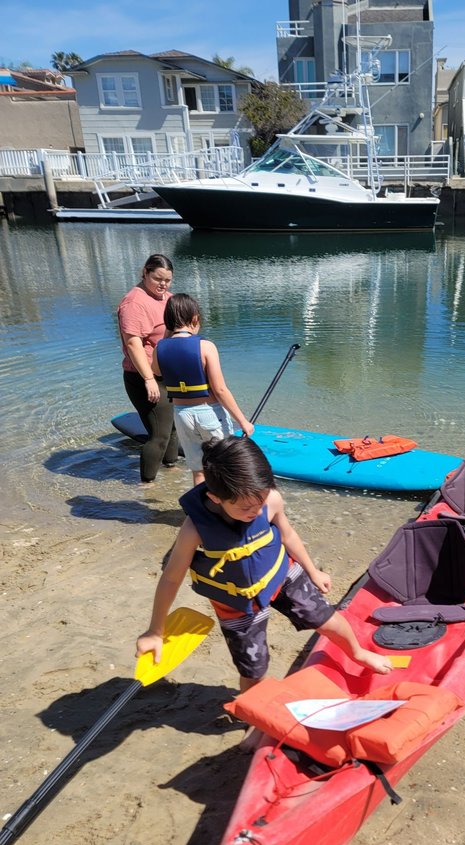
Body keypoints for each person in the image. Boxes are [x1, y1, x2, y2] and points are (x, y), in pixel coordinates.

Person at [136, 436, 392, 701]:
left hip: (280, 575)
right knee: (253, 668)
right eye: (245, 507)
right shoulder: (194, 529)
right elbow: (171, 579)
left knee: (327, 619)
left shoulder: (271, 500)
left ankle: (358, 653)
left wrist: (312, 570)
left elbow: (288, 535)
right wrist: (156, 630)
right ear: (215, 497)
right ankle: (252, 713)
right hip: (235, 600)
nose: (256, 511)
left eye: (260, 501)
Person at [153, 293, 255, 486]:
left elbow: (156, 371)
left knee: (198, 470)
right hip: (209, 413)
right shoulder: (206, 346)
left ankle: (201, 512)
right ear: (195, 319)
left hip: (182, 415)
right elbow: (220, 390)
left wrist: (167, 337)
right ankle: (225, 512)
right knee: (224, 467)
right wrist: (243, 421)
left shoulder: (160, 348)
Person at [117, 253, 180, 483]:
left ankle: (172, 473)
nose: (163, 284)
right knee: (160, 435)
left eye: (168, 280)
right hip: (144, 377)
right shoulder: (134, 302)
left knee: (173, 428)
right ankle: (147, 486)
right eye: (158, 278)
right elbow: (133, 343)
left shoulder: (166, 298)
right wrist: (149, 379)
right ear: (145, 272)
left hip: (166, 374)